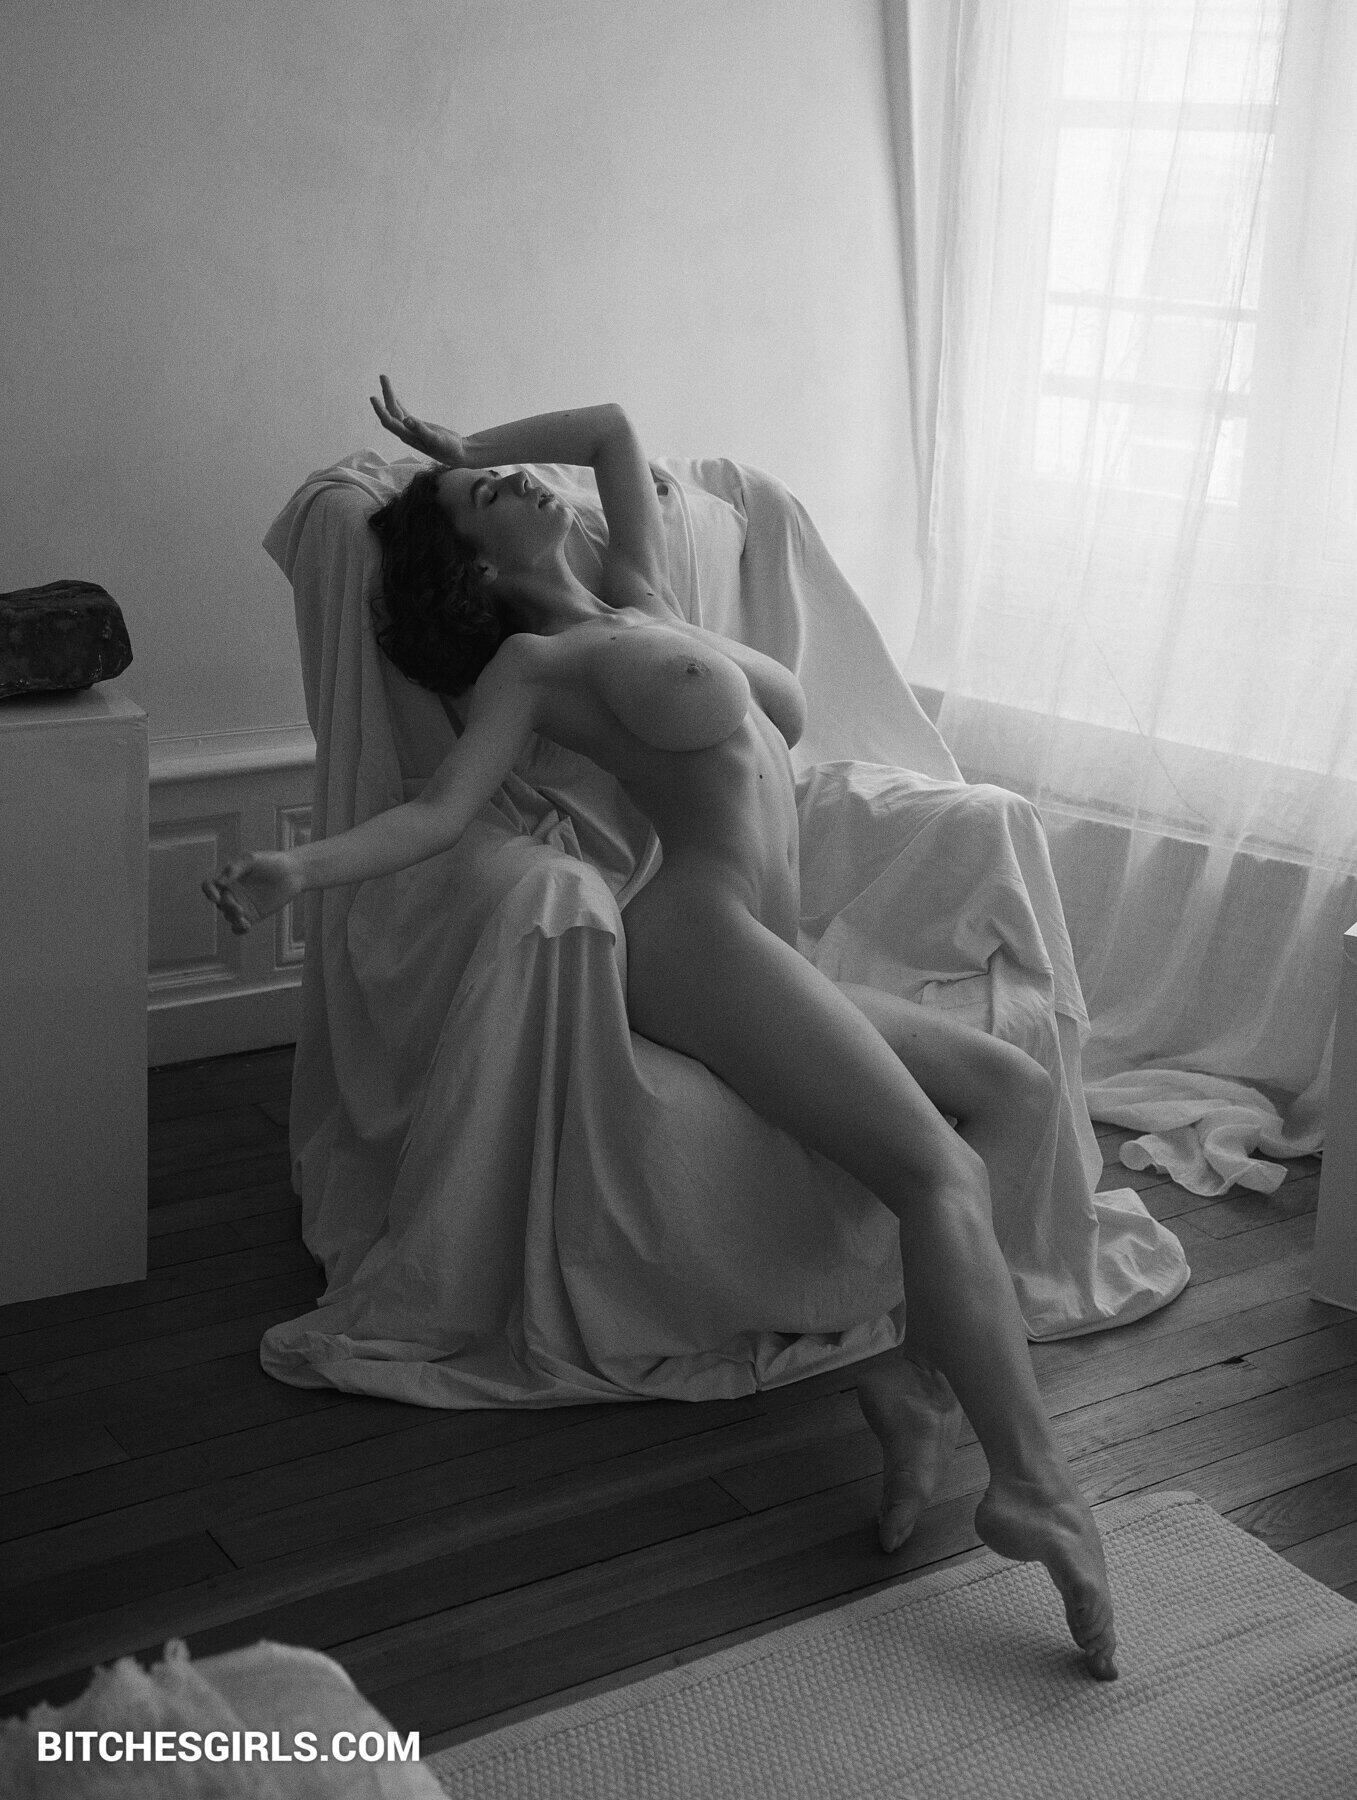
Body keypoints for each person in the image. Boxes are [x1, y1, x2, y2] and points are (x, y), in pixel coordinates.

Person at [205, 380, 1118, 1679]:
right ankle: (1033, 1485)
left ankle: (916, 1390)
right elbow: (435, 815)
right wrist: (294, 872)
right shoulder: (532, 667)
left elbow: (609, 430)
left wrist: (461, 450)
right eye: (482, 498)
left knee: (1011, 1091)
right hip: (692, 941)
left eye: (501, 475)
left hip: (765, 946)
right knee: (936, 1172)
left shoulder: (633, 589)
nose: (516, 484)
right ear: (471, 565)